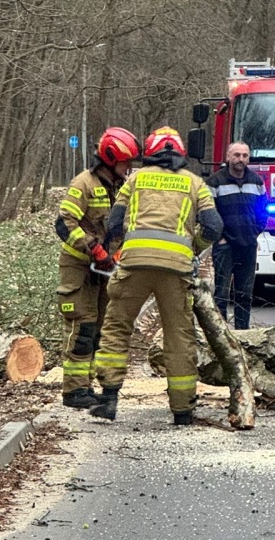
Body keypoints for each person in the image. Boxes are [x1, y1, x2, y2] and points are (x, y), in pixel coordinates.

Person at [89, 126, 223, 425]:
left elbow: (113, 222)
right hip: (175, 270)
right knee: (179, 336)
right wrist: (193, 248)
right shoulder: (194, 183)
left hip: (135, 265)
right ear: (180, 153)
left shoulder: (135, 179)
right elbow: (214, 227)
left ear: (149, 152)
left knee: (117, 328)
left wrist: (122, 245)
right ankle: (183, 410)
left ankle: (109, 398)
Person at [54, 127, 139, 409]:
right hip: (79, 267)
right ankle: (74, 390)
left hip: (106, 268)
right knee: (83, 328)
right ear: (111, 158)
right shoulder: (84, 184)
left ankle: (90, 387)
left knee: (101, 329)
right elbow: (64, 223)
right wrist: (95, 249)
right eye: (126, 163)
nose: (128, 168)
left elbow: (120, 226)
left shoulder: (121, 187)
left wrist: (119, 252)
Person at [206, 141, 268, 329]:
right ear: (228, 157)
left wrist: (254, 233)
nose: (241, 159)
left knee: (244, 295)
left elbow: (263, 211)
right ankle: (222, 335)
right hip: (225, 247)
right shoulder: (215, 182)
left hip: (248, 245)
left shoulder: (257, 181)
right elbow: (209, 213)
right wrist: (219, 238)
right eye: (237, 155)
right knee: (222, 296)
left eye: (244, 155)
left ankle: (243, 335)